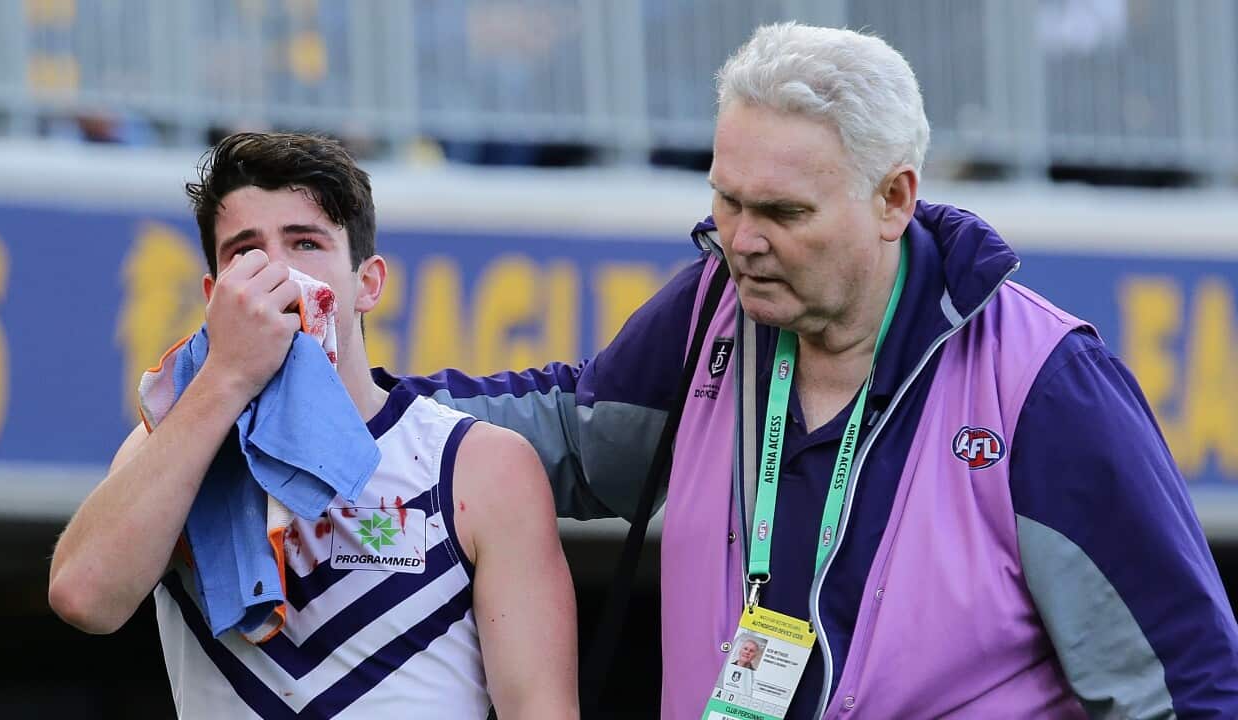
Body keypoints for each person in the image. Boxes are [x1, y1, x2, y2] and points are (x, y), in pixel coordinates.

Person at [397, 22, 1238, 719]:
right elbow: (566, 442)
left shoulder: (1044, 382)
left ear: (893, 200)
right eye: (727, 200)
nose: (743, 240)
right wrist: (359, 410)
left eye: (784, 212)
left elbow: (1183, 686)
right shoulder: (712, 309)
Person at [48, 132, 579, 719]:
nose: (277, 274)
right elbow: (84, 597)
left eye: (305, 244)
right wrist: (226, 374)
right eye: (245, 252)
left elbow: (541, 709)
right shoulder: (171, 444)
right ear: (215, 295)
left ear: (368, 283)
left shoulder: (479, 463)